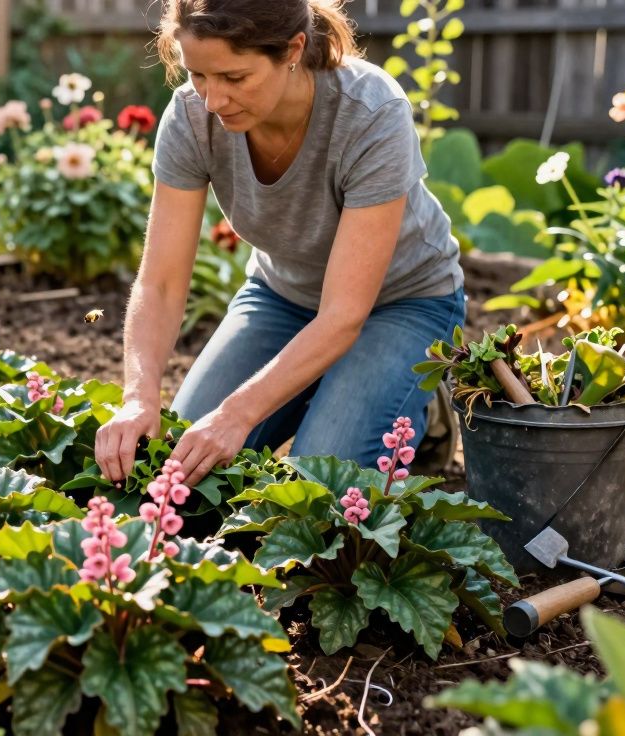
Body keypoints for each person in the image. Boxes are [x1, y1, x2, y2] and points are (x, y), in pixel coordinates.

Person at [93, 0, 465, 486]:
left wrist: (237, 414)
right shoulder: (190, 116)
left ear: (293, 50)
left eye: (234, 78)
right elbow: (160, 282)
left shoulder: (371, 112)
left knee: (319, 483)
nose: (212, 100)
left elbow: (343, 314)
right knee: (180, 467)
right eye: (199, 76)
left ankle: (422, 406)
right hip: (282, 298)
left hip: (403, 303)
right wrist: (138, 397)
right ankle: (334, 384)